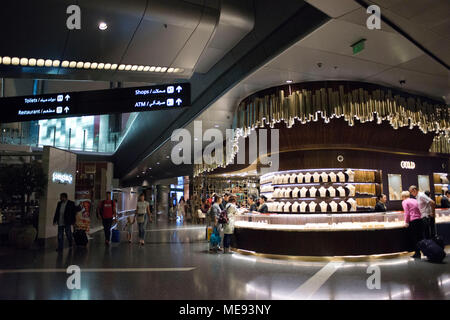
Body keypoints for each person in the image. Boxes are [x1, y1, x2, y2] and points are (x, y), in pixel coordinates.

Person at [402, 191, 423, 259]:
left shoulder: (405, 202)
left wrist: (406, 222)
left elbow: (407, 213)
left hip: (413, 221)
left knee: (414, 238)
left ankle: (417, 253)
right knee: (420, 237)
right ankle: (424, 251)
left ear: (403, 197)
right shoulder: (414, 200)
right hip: (420, 219)